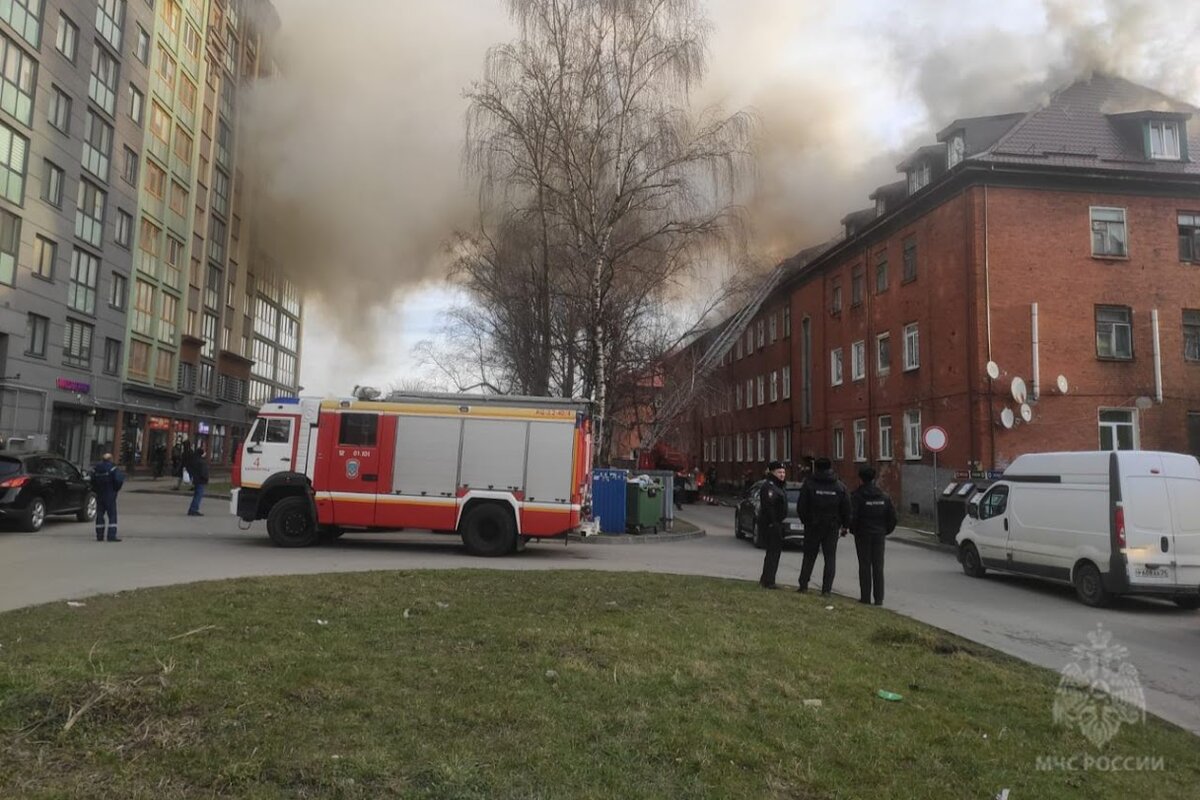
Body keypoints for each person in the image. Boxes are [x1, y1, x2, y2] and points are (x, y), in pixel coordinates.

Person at [796, 456, 851, 595]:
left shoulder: (809, 484)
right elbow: (846, 507)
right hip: (832, 526)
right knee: (830, 558)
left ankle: (803, 585)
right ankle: (826, 589)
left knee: (809, 556)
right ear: (830, 467)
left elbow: (801, 506)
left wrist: (805, 521)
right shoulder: (839, 486)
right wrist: (845, 525)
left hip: (812, 525)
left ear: (816, 468)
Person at [851, 466, 898, 606]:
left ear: (860, 479)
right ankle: (879, 598)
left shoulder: (857, 496)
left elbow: (852, 517)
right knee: (878, 566)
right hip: (879, 535)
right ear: (874, 478)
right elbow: (892, 518)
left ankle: (865, 597)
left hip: (863, 534)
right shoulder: (884, 496)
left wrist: (855, 530)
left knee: (864, 565)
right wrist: (884, 531)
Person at [757, 460, 789, 589]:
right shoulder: (769, 486)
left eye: (783, 472)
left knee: (774, 553)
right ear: (772, 472)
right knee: (773, 553)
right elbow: (769, 506)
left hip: (777, 523)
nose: (782, 475)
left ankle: (766, 578)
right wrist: (773, 522)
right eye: (779, 472)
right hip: (771, 524)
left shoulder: (779, 486)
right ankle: (769, 581)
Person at [89, 453, 125, 542]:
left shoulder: (96, 469)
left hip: (99, 494)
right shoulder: (113, 468)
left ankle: (99, 535)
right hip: (110, 494)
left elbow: (92, 481)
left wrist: (96, 490)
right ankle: (111, 536)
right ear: (111, 459)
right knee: (112, 516)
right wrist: (115, 490)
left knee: (100, 515)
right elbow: (118, 480)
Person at [186, 445, 210, 516]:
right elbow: (203, 472)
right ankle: (193, 509)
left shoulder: (194, 460)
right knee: (198, 495)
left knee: (196, 495)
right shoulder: (201, 462)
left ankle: (192, 509)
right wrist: (206, 478)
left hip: (196, 479)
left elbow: (189, 468)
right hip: (201, 480)